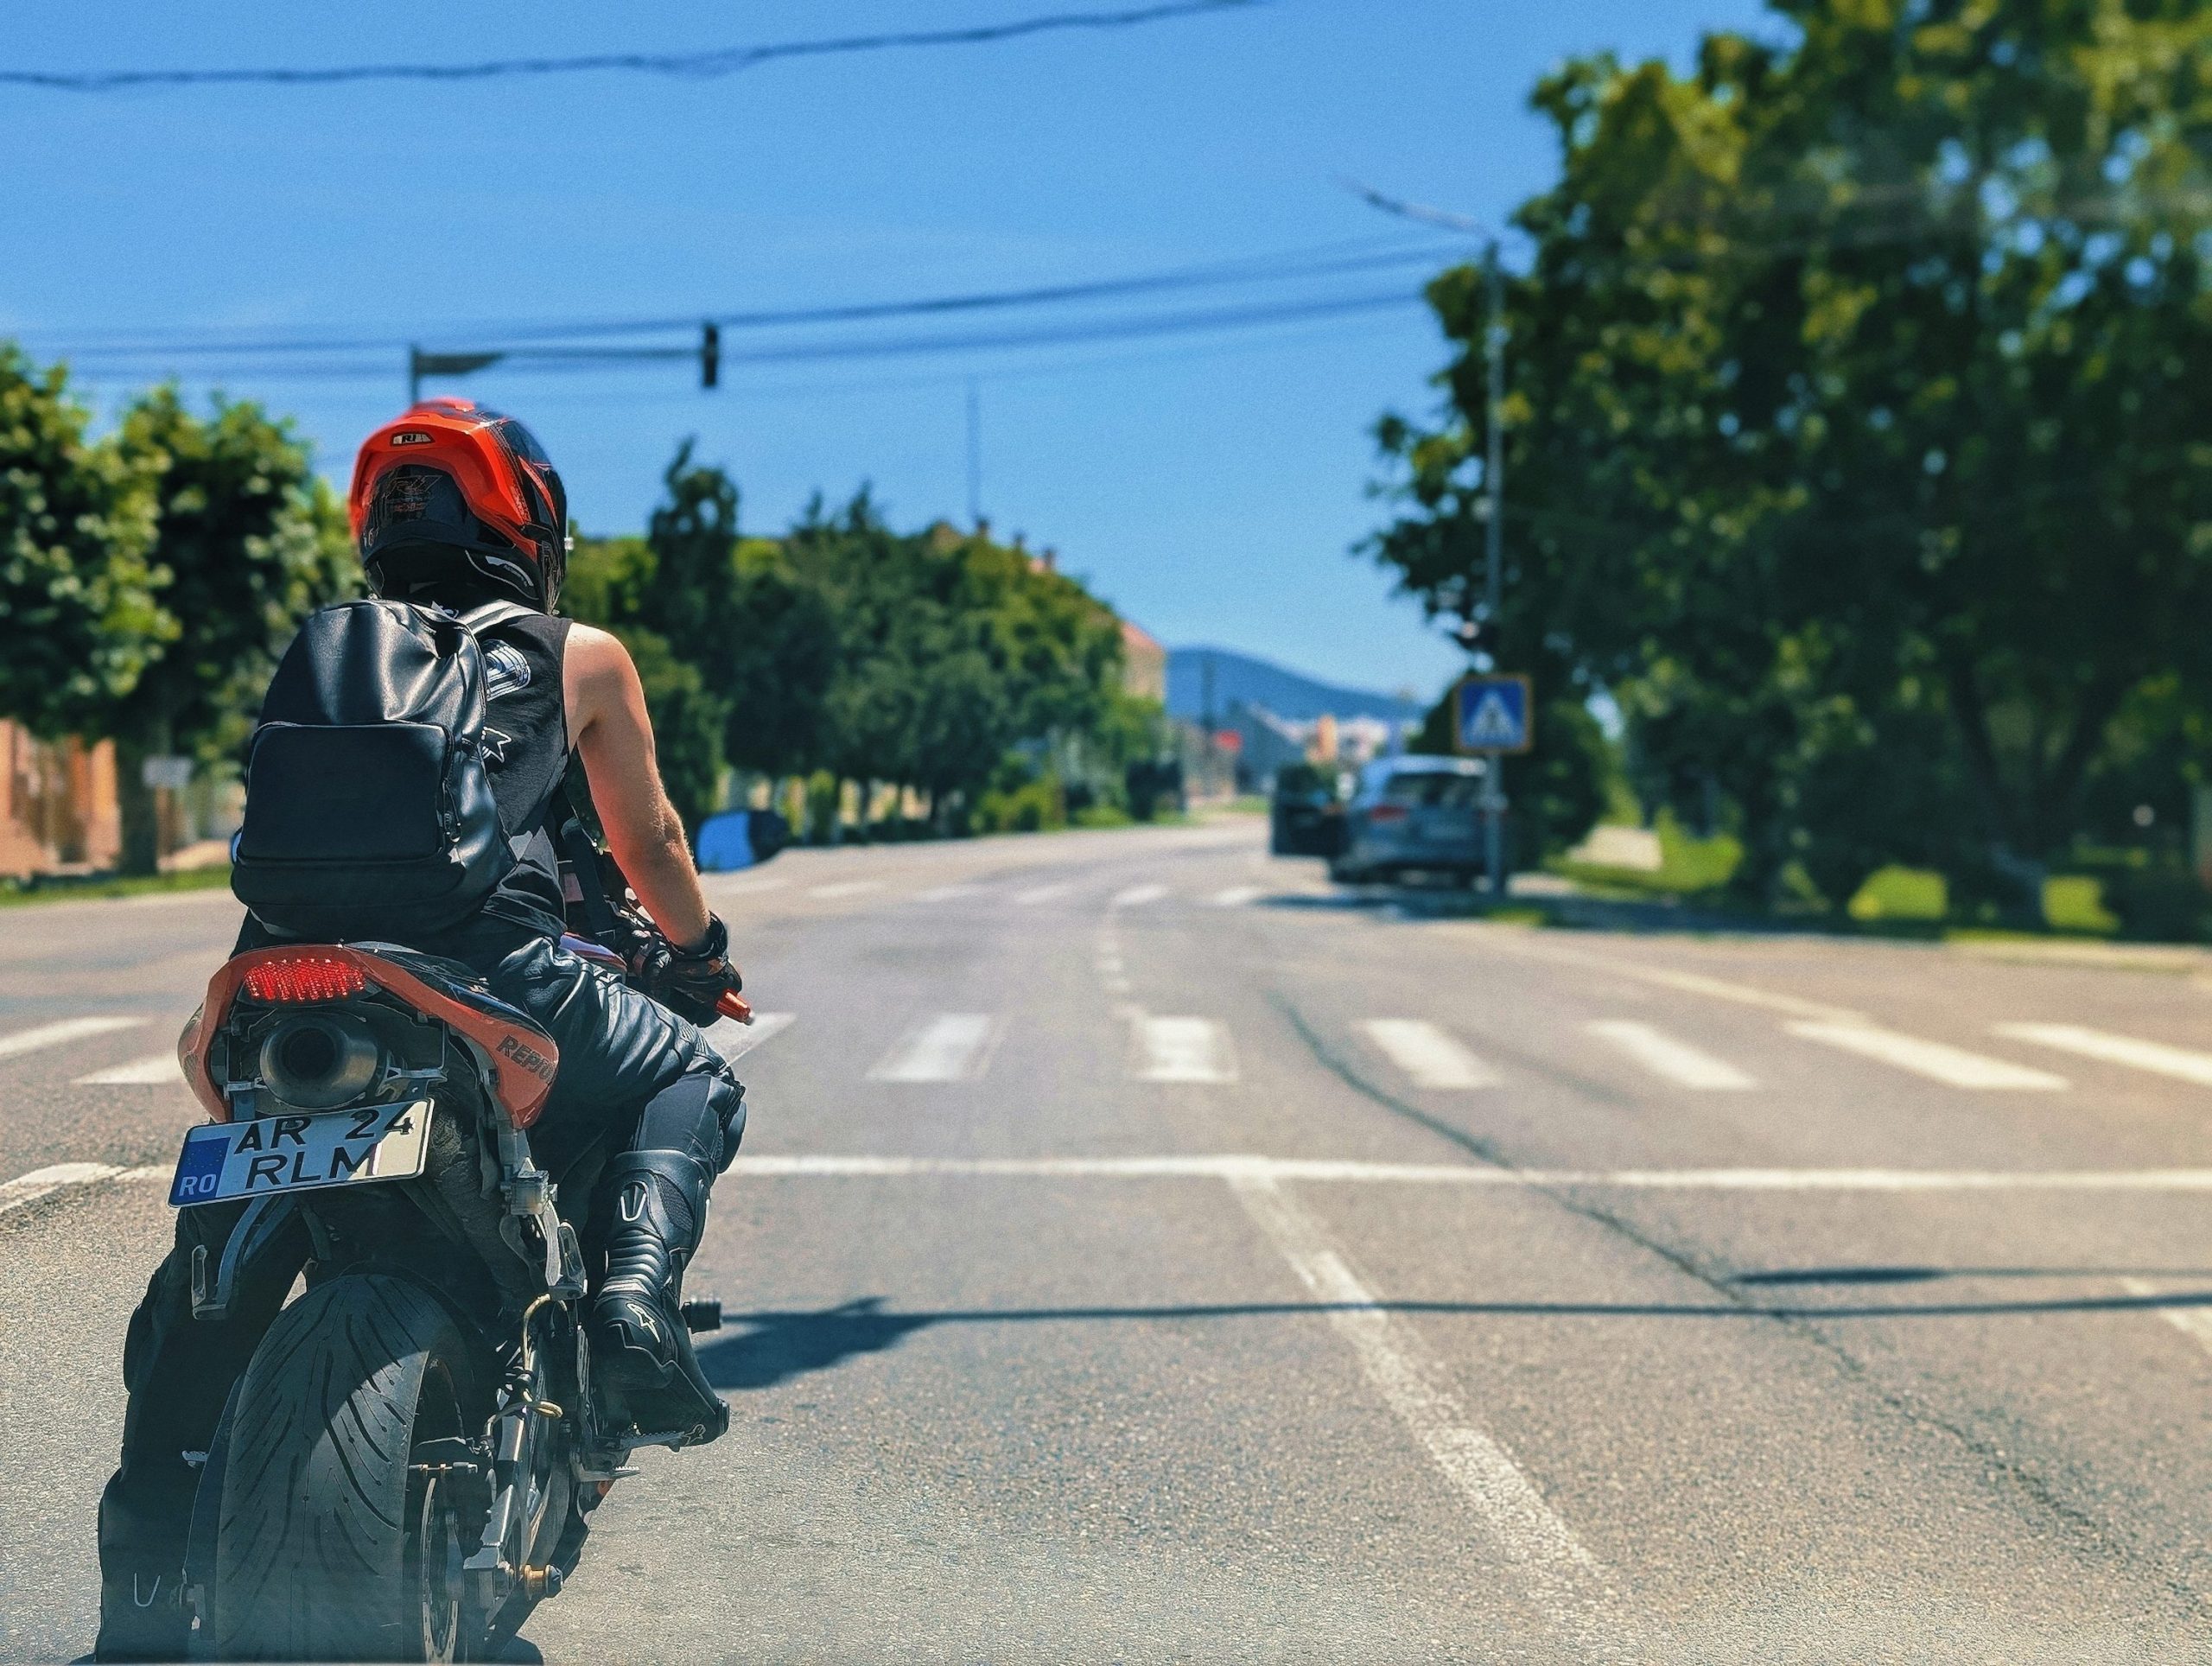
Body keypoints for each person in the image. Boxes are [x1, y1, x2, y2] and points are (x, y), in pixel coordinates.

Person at [95, 399, 749, 1661]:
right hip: (484, 975)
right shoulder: (579, 654)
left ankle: (138, 1581)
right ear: (529, 523)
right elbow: (650, 841)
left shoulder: (324, 649)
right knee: (692, 1081)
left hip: (271, 983)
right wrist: (700, 954)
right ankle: (627, 1306)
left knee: (207, 1276)